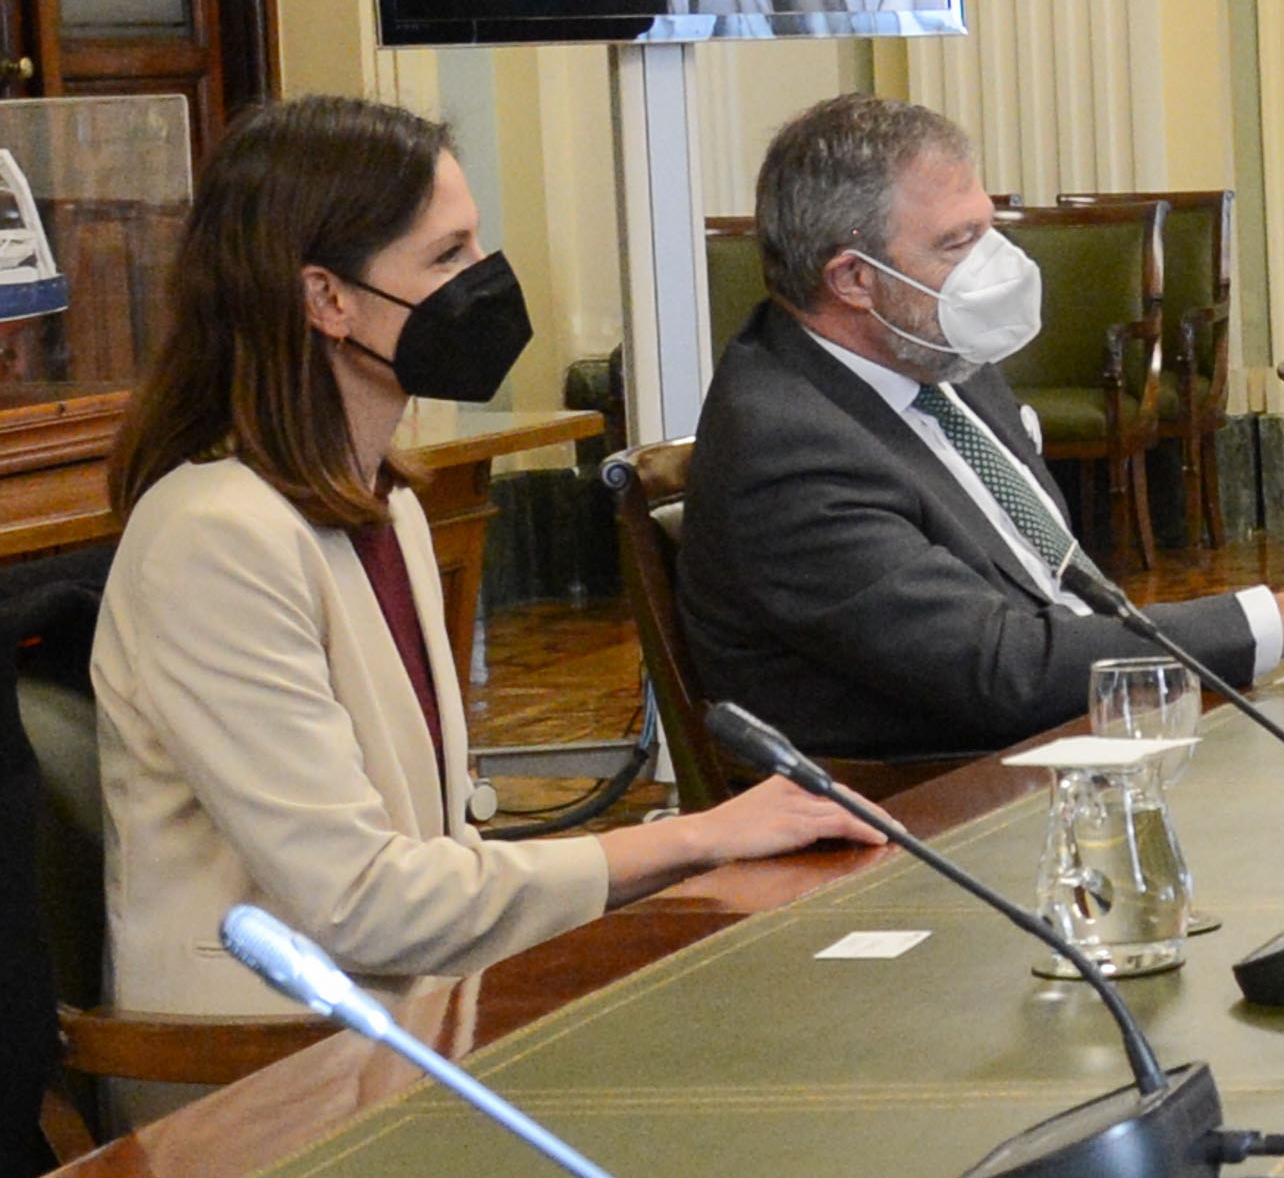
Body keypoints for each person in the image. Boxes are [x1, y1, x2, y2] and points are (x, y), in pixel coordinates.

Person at [93, 97, 870, 1030]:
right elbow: (363, 900)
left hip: (409, 1014)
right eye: (448, 256)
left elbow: (435, 858)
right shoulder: (213, 537)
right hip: (264, 1055)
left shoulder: (390, 502)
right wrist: (695, 837)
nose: (485, 280)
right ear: (327, 299)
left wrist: (690, 844)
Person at [683, 95, 1284, 759]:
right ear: (853, 278)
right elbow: (1001, 669)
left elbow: (1059, 597)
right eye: (956, 243)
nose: (992, 267)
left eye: (987, 230)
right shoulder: (787, 449)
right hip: (942, 796)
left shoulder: (936, 356)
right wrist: (1283, 617)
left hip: (1075, 725)